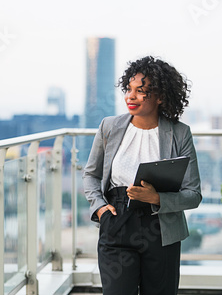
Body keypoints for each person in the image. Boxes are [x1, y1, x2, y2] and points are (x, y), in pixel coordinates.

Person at [83, 56, 202, 295]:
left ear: (160, 97)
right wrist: (100, 209)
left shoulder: (180, 133)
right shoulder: (109, 127)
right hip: (116, 221)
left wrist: (157, 198)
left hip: (162, 229)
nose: (130, 96)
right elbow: (91, 175)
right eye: (129, 89)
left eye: (141, 91)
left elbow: (193, 195)